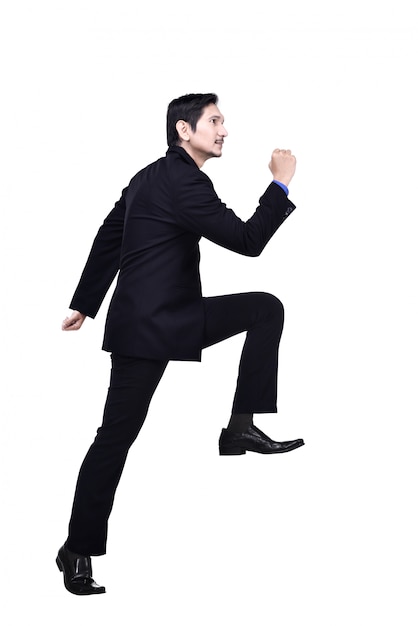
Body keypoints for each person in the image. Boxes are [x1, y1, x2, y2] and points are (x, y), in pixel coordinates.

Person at [56, 93, 304, 596]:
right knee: (115, 440)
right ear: (184, 131)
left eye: (223, 121)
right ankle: (75, 550)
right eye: (215, 121)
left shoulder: (148, 176)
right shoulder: (184, 181)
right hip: (147, 329)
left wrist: (86, 301)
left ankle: (240, 428)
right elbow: (248, 240)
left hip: (177, 316)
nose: (225, 130)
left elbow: (109, 233)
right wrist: (279, 183)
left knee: (265, 308)